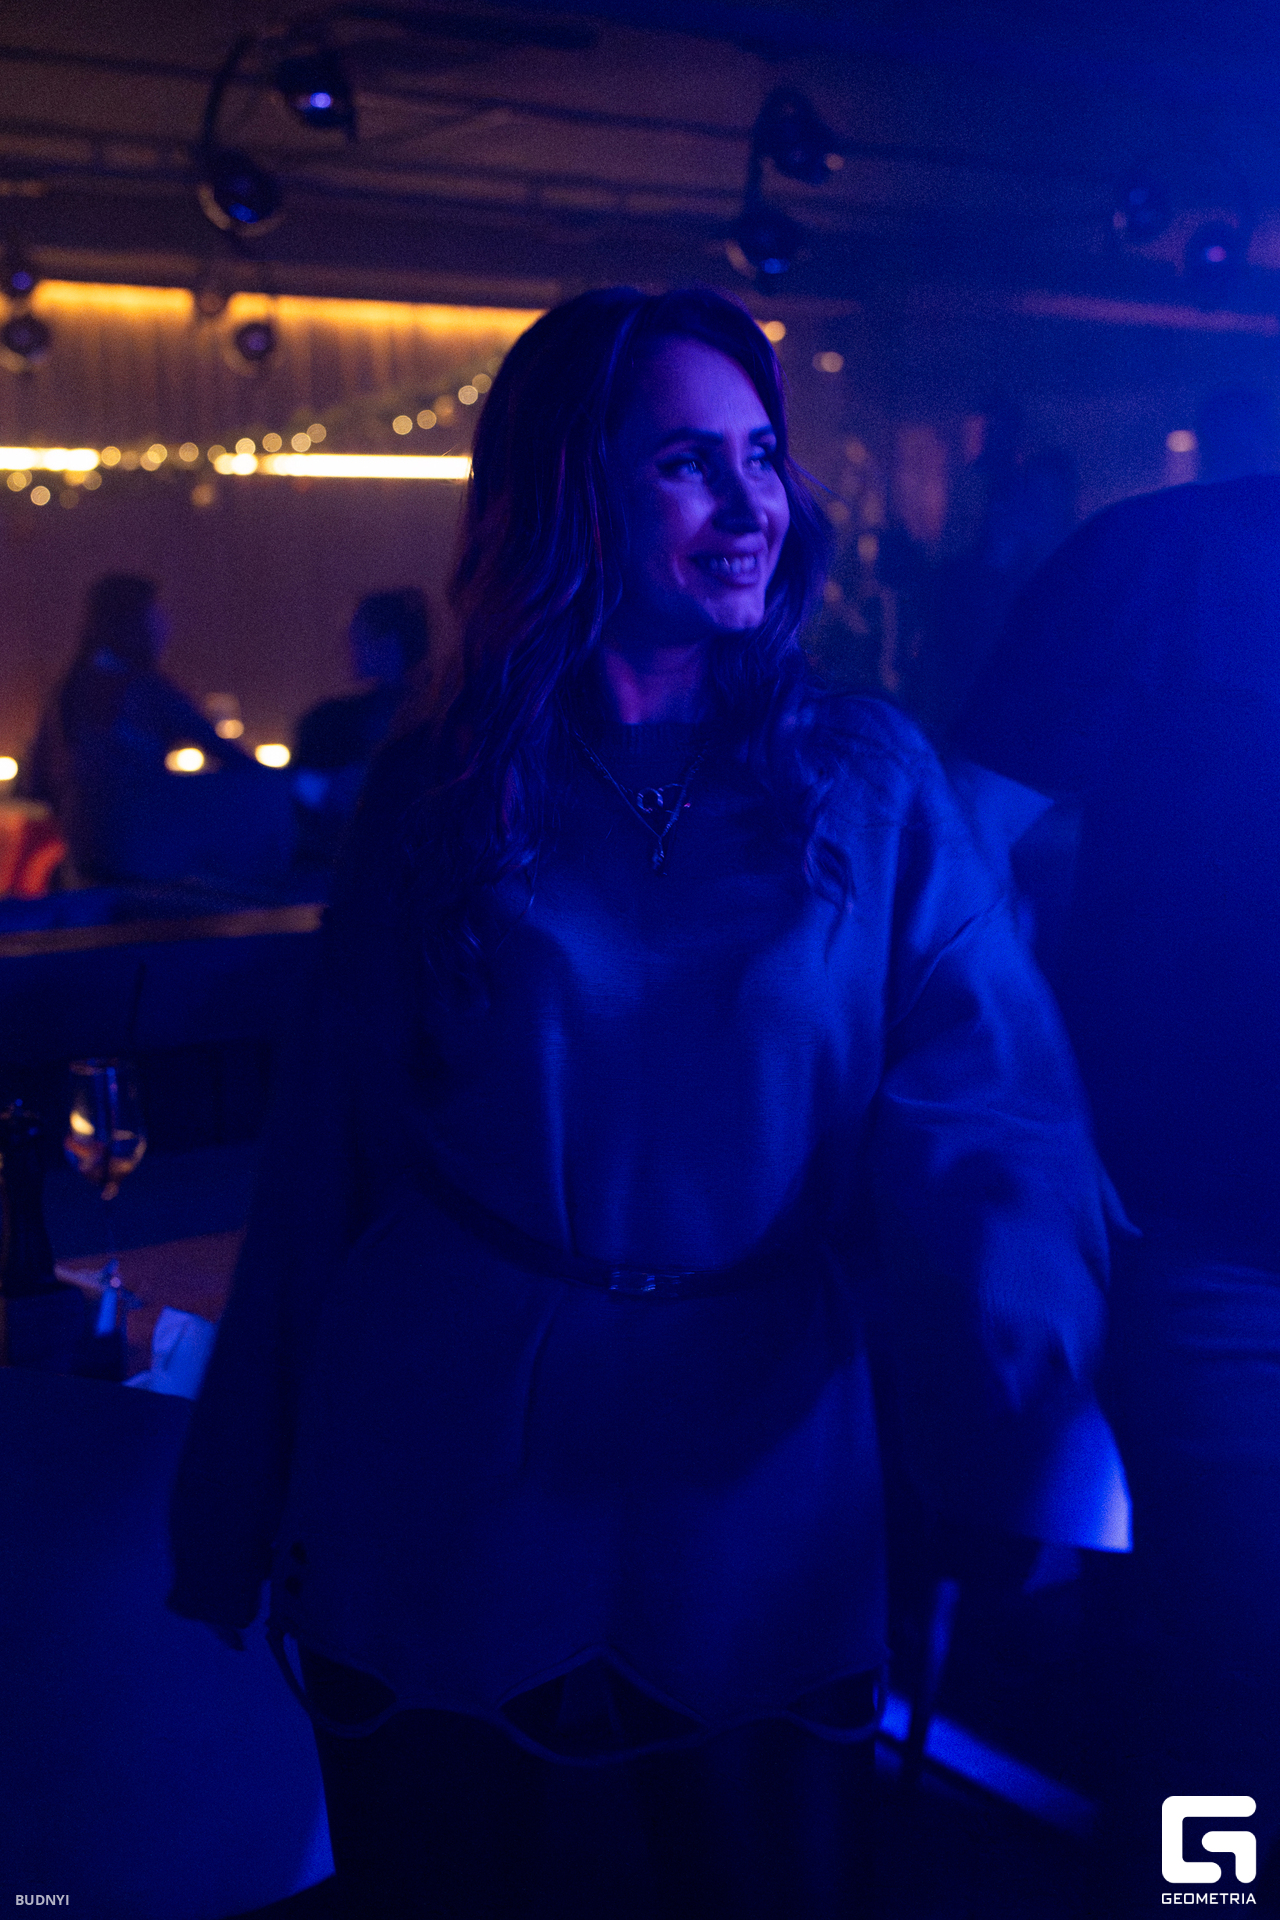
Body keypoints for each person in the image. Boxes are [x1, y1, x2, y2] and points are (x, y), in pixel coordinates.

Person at [170, 288, 1124, 1920]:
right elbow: (327, 1152)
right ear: (571, 493)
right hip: (442, 1452)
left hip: (759, 1464)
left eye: (761, 456)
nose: (754, 506)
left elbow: (999, 1131)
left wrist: (1018, 1429)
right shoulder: (443, 783)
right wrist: (234, 1493)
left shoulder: (869, 777)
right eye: (688, 462)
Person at [953, 471, 1280, 1907]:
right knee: (1225, 1687)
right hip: (1215, 1256)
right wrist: (1029, 1099)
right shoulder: (1168, 558)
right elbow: (958, 843)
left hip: (1210, 1247)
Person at [22, 574, 291, 890]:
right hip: (137, 853)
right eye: (156, 616)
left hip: (84, 854)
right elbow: (229, 755)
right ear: (135, 623)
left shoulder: (68, 689)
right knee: (263, 794)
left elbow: (38, 781)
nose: (166, 627)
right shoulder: (144, 688)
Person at [292, 588, 432, 868]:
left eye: (357, 636)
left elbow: (301, 796)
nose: (346, 646)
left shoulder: (328, 721)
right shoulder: (443, 717)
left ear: (388, 642)